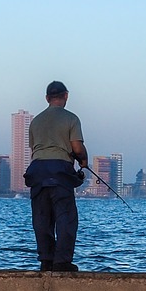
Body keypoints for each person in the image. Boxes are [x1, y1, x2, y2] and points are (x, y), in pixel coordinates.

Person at [26, 80, 87, 272]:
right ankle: (62, 262)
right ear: (66, 96)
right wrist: (83, 161)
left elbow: (34, 149)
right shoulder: (71, 118)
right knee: (65, 218)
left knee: (41, 219)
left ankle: (46, 260)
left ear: (47, 98)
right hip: (60, 172)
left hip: (37, 171)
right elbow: (76, 147)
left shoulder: (35, 121)